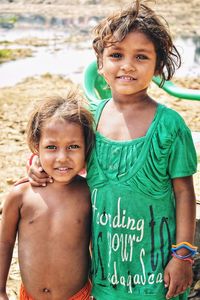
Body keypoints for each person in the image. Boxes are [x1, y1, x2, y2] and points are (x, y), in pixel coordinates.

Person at [24, 1, 198, 299]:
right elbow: (67, 158)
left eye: (141, 57)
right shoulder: (88, 119)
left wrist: (183, 256)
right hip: (105, 274)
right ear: (100, 63)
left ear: (157, 66)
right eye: (116, 55)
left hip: (155, 274)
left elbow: (184, 192)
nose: (127, 65)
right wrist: (36, 164)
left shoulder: (170, 125)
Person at [0, 90, 95, 300]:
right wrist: (1, 290)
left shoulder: (89, 194)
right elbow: (4, 243)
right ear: (36, 147)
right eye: (51, 147)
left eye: (73, 147)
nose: (62, 157)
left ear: (86, 148)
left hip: (78, 296)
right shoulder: (20, 195)